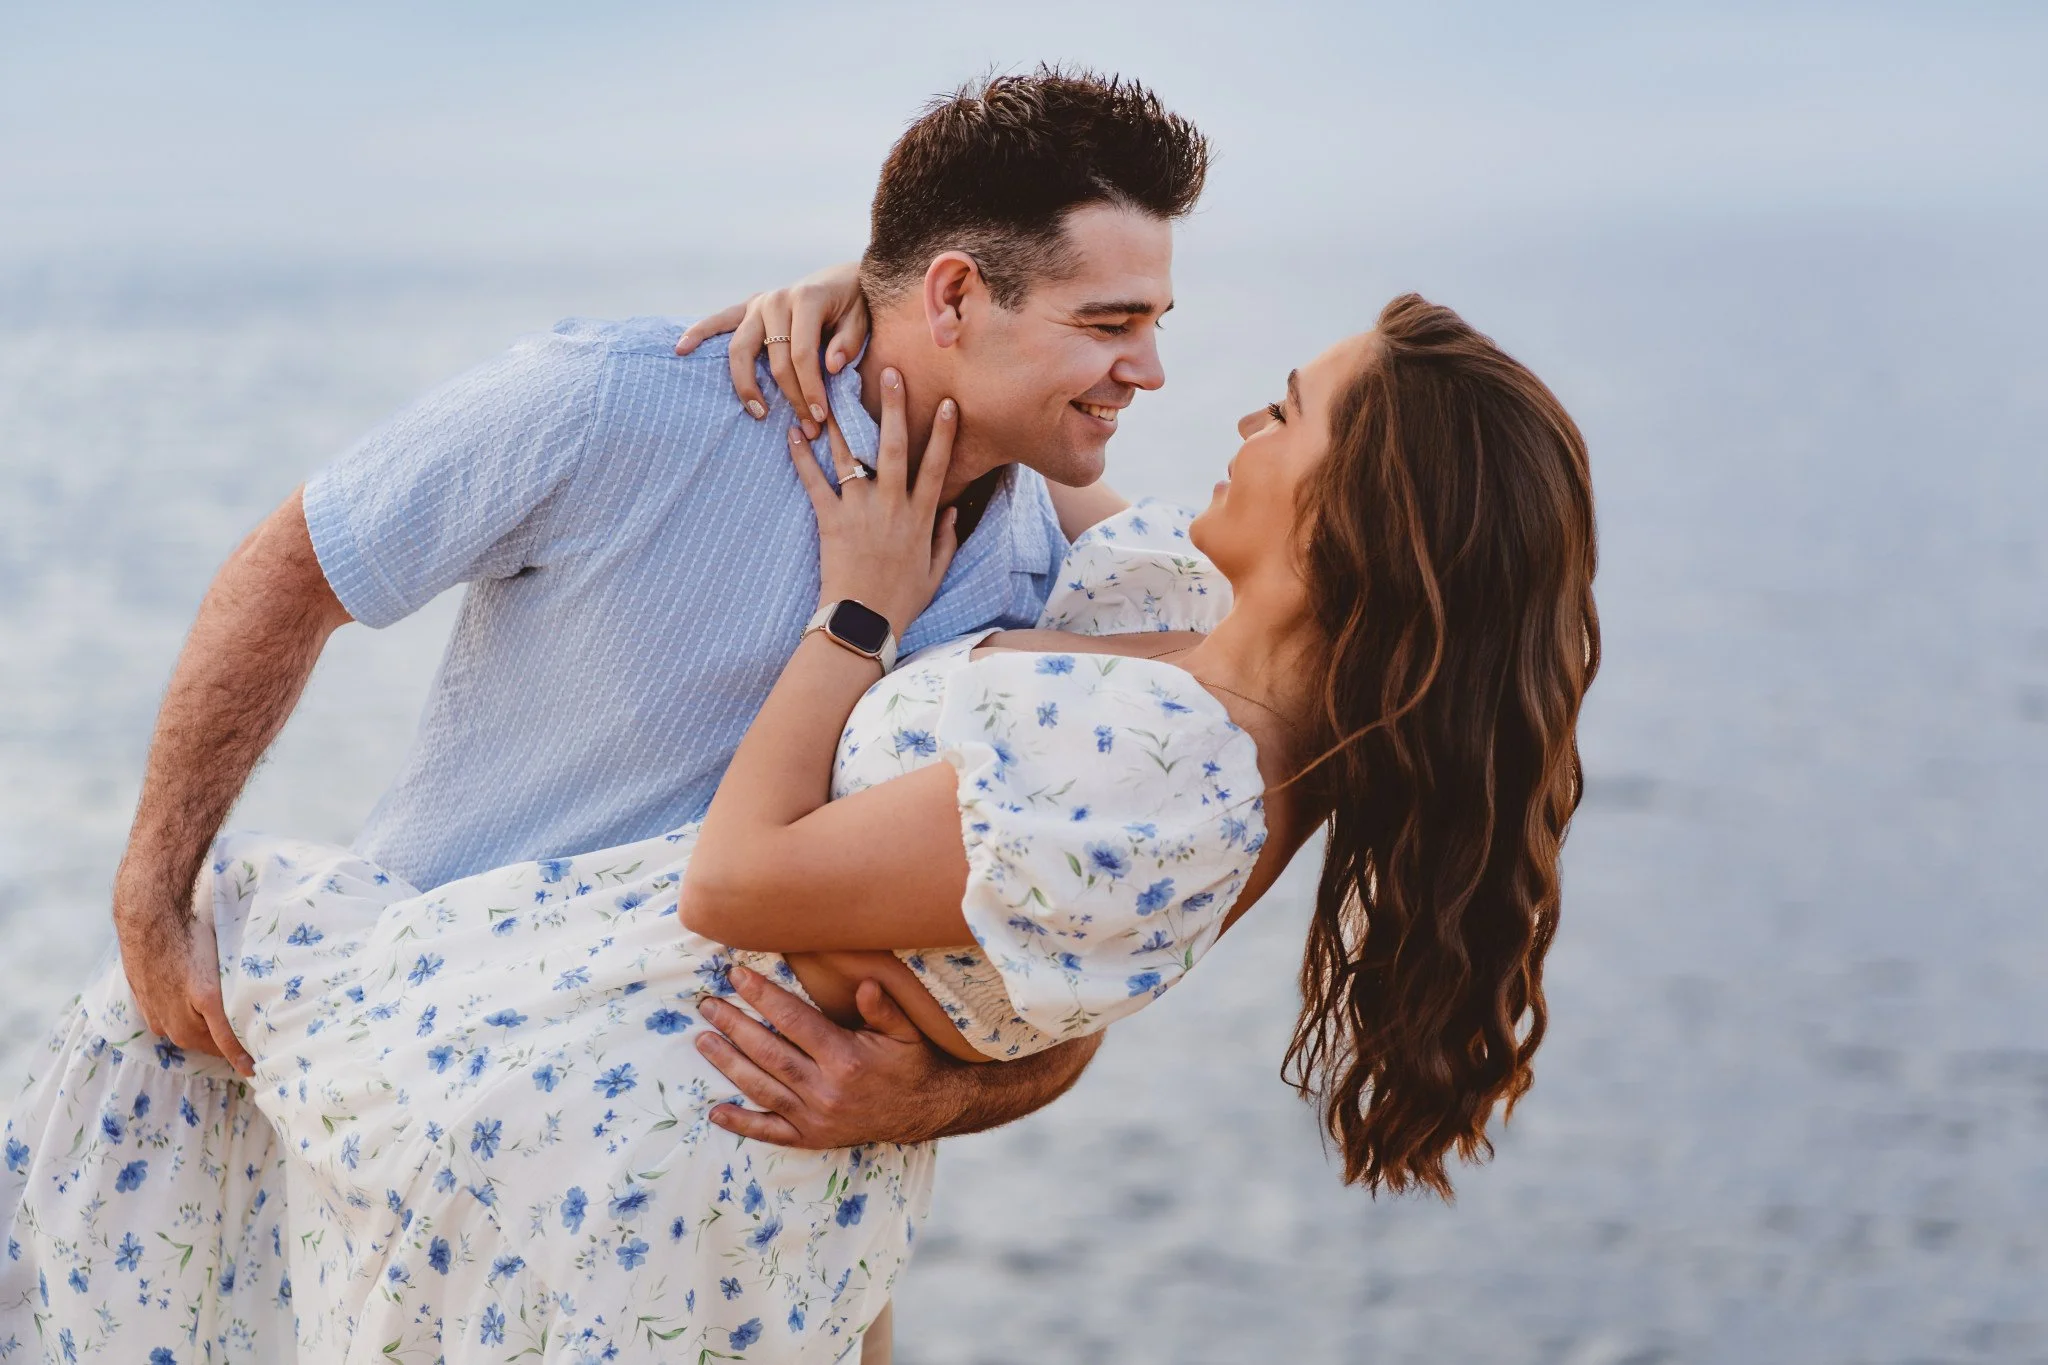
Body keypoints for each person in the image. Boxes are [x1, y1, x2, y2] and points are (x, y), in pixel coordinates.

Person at [3, 282, 1598, 1361]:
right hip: (614, 1105)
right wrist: (882, 296)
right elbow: (1041, 451)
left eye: (1285, 414)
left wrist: (856, 615)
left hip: (646, 1181)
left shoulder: (1178, 769)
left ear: (1351, 520)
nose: (1236, 425)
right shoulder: (1172, 623)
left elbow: (743, 879)